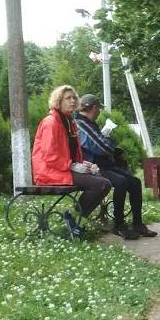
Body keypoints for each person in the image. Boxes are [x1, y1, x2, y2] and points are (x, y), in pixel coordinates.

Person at [31, 85, 111, 239]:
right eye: (68, 98)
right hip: (49, 171)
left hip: (64, 169)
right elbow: (49, 156)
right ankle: (73, 219)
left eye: (74, 98)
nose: (73, 101)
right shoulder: (51, 122)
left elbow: (73, 153)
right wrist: (72, 165)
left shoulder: (70, 122)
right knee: (102, 184)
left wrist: (85, 164)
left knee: (103, 181)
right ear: (58, 101)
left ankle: (73, 220)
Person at [74, 94, 157, 239]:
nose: (99, 111)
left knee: (135, 182)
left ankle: (138, 224)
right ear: (94, 108)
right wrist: (108, 141)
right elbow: (102, 147)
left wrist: (107, 142)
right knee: (121, 182)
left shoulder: (89, 123)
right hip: (91, 168)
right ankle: (119, 225)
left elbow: (101, 144)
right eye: (98, 108)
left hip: (104, 165)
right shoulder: (80, 124)